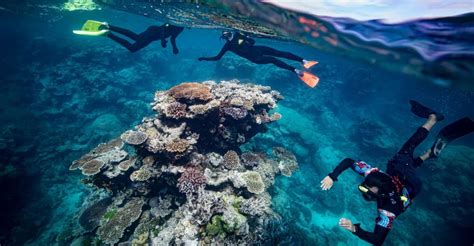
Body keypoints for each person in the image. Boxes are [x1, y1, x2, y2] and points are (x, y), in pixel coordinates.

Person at [320, 100, 474, 245]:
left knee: (404, 162)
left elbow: (377, 241)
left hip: (410, 187)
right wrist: (332, 176)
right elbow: (377, 240)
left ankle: (429, 153)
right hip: (406, 181)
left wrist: (355, 229)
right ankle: (432, 119)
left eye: (365, 189)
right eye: (366, 188)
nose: (365, 191)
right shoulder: (378, 187)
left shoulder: (387, 209)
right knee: (406, 152)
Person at [198, 31, 320, 87]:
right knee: (273, 59)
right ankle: (296, 71)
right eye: (226, 35)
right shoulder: (228, 46)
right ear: (224, 38)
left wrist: (246, 37)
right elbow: (217, 58)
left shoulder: (238, 35)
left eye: (228, 33)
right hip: (255, 57)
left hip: (258, 49)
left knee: (279, 53)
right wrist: (204, 58)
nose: (228, 35)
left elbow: (252, 41)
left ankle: (303, 61)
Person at [76, 21, 184, 54]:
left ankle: (109, 28)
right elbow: (162, 29)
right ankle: (109, 32)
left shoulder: (181, 28)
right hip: (153, 31)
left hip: (153, 35)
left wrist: (174, 47)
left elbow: (173, 38)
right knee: (133, 46)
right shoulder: (175, 22)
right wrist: (162, 39)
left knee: (135, 39)